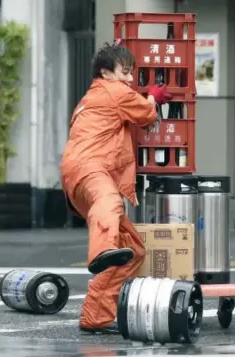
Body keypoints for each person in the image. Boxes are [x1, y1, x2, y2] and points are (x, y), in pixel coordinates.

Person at [60, 43, 171, 334]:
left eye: (132, 73)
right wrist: (153, 97)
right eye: (125, 72)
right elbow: (147, 114)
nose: (129, 79)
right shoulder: (114, 91)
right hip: (92, 169)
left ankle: (95, 316)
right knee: (110, 202)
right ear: (105, 72)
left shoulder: (90, 97)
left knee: (132, 250)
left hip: (77, 174)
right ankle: (103, 249)